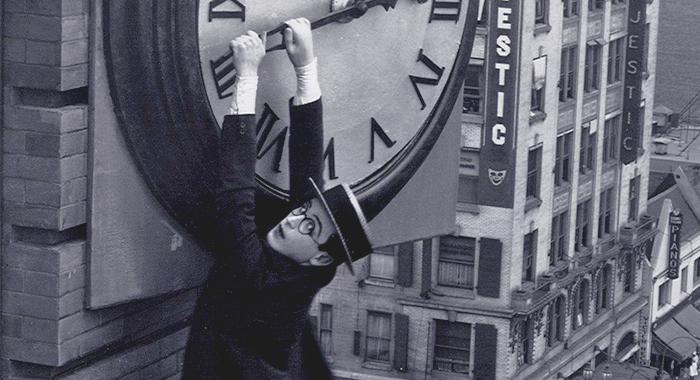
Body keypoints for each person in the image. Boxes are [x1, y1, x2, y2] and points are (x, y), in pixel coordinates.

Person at [182, 18, 373, 379]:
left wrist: (247, 76)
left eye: (308, 225)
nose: (293, 218)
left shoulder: (264, 282)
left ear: (318, 255)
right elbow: (307, 178)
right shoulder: (315, 264)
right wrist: (305, 67)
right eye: (304, 211)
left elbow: (234, 198)